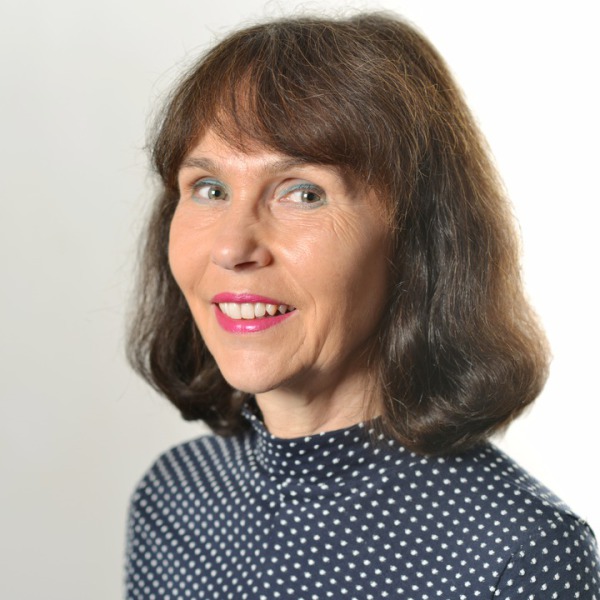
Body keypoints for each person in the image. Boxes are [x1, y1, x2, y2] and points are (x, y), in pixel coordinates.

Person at [125, 12, 600, 599]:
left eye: (304, 193)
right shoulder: (174, 496)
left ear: (416, 238)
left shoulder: (519, 553)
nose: (231, 247)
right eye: (210, 189)